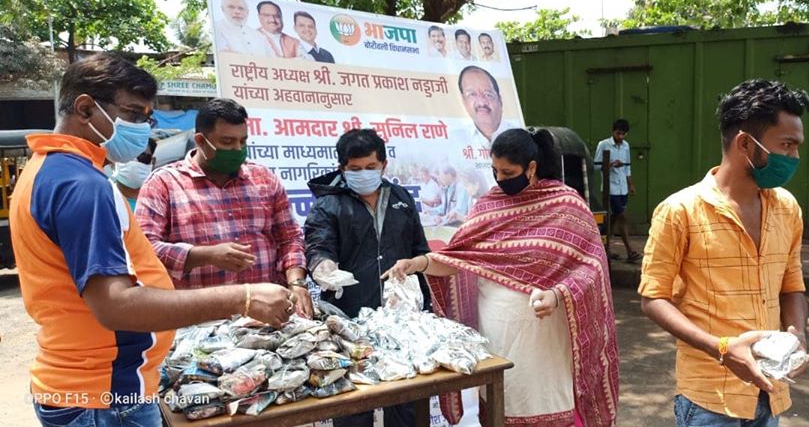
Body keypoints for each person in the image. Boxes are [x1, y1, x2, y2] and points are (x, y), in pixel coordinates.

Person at [11, 53, 294, 427]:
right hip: (105, 395)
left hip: (89, 388)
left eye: (147, 118)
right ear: (85, 108)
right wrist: (242, 298)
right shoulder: (82, 184)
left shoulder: (47, 170)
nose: (142, 129)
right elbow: (116, 305)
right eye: (132, 114)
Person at [384, 128, 620, 427]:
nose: (500, 179)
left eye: (508, 172)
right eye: (495, 171)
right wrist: (417, 263)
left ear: (531, 167)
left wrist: (557, 294)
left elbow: (591, 266)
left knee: (544, 399)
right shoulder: (489, 204)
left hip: (547, 335)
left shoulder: (566, 205)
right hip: (498, 333)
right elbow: (458, 257)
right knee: (502, 400)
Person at [639, 79, 809, 427]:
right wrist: (721, 348)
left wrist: (798, 336)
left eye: (797, 146)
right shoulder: (680, 211)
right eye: (787, 145)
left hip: (769, 391)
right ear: (745, 143)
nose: (794, 157)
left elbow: (791, 286)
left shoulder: (787, 208)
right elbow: (653, 298)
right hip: (710, 397)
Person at [136, 98, 312, 316]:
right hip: (198, 320)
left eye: (242, 142)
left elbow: (290, 238)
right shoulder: (163, 184)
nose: (237, 149)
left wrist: (297, 283)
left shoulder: (264, 179)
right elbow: (144, 251)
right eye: (227, 142)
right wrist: (205, 255)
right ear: (201, 140)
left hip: (265, 317)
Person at [303, 128, 431, 427]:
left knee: (407, 403)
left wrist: (415, 265)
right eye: (355, 169)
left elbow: (419, 249)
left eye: (371, 167)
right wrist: (324, 268)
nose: (364, 174)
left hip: (402, 320)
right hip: (350, 320)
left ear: (384, 165)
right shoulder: (328, 204)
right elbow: (318, 246)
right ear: (342, 168)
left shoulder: (401, 198)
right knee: (353, 405)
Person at [594, 119, 639, 262]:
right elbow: (596, 165)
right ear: (613, 131)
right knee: (622, 216)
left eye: (623, 134)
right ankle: (630, 251)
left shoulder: (626, 146)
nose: (620, 136)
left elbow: (627, 168)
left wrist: (630, 185)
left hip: (622, 188)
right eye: (618, 133)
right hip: (611, 188)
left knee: (613, 219)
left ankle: (605, 248)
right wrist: (612, 164)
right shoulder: (604, 144)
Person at [458, 66, 519, 149]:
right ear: (464, 101)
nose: (481, 102)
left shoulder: (520, 137)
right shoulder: (454, 141)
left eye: (488, 94)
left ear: (500, 100)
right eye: (472, 94)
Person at [110, 138, 157, 212]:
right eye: (126, 156)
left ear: (152, 162)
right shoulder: (105, 200)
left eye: (143, 157)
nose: (134, 163)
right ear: (112, 162)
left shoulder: (160, 200)